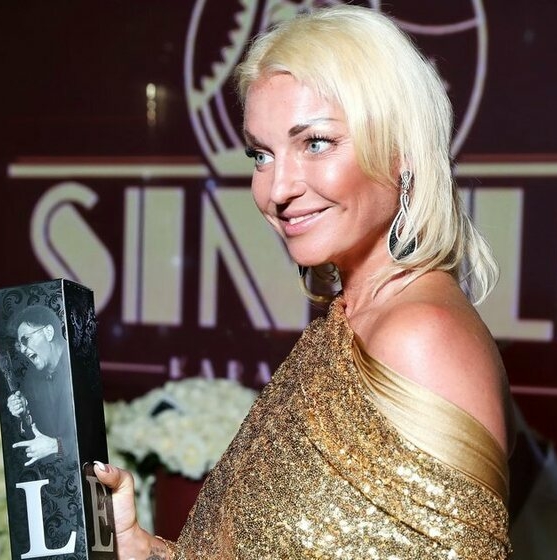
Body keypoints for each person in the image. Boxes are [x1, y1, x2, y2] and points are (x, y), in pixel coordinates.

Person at [95, 4, 513, 559]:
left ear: (402, 152)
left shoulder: (420, 337)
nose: (277, 190)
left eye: (315, 142)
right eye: (261, 154)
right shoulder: (348, 319)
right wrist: (148, 550)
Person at [7, 304, 75, 466]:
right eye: (19, 345)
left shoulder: (80, 367)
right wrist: (24, 412)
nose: (23, 349)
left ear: (48, 332)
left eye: (25, 340)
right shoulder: (31, 381)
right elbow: (37, 437)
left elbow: (94, 432)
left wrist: (57, 446)